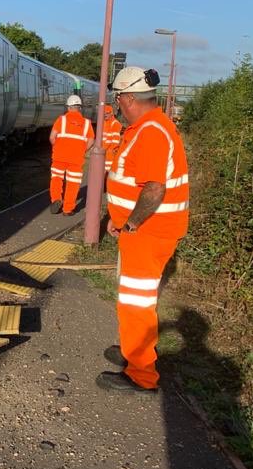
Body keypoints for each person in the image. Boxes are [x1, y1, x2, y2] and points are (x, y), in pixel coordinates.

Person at [98, 67, 189, 394]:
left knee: (136, 302)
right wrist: (118, 216)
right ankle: (134, 351)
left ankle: (141, 374)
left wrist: (132, 222)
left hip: (149, 231)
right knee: (134, 299)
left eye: (119, 98)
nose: (118, 104)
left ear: (130, 98)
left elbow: (153, 189)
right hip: (145, 229)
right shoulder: (146, 127)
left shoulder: (151, 132)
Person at [48, 94, 94, 215]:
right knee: (73, 183)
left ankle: (56, 200)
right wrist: (82, 150)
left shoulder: (61, 120)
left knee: (56, 179)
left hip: (59, 157)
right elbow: (91, 141)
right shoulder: (87, 123)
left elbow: (52, 137)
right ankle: (68, 209)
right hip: (76, 159)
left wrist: (57, 146)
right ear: (80, 108)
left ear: (68, 107)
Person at [101, 103, 123, 172]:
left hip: (109, 156)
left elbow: (115, 142)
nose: (105, 115)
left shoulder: (115, 124)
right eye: (104, 113)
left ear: (111, 113)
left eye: (107, 113)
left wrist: (104, 150)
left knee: (108, 175)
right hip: (104, 154)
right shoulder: (104, 123)